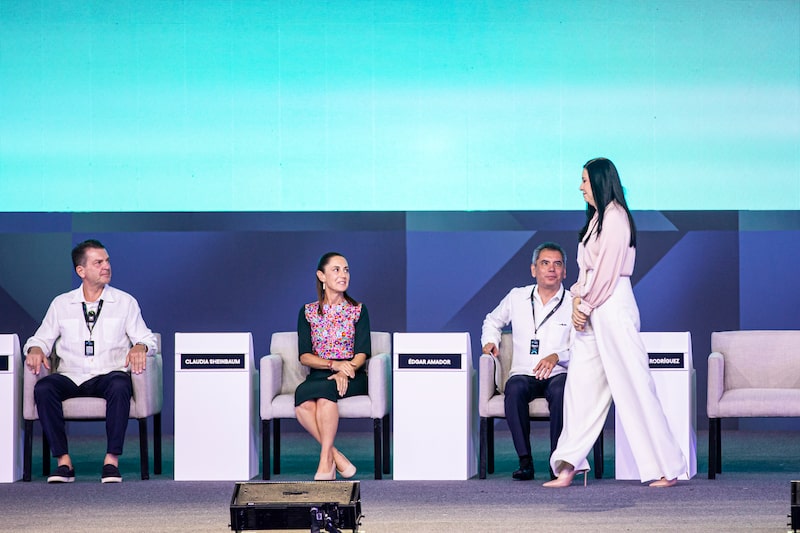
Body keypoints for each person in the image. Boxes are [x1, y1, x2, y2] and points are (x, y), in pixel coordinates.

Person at [544, 157, 687, 488]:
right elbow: (587, 272)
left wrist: (587, 303)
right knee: (580, 386)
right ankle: (569, 464)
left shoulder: (616, 218)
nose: (579, 187)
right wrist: (577, 300)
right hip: (592, 305)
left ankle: (668, 466)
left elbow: (608, 271)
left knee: (636, 386)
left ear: (598, 181)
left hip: (612, 305)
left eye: (583, 180)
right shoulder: (595, 219)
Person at [23, 239, 157, 483]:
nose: (106, 266)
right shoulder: (62, 304)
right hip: (71, 374)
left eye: (107, 261)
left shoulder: (125, 302)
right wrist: (34, 348)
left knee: (120, 385)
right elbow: (41, 338)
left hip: (108, 373)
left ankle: (111, 461)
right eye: (98, 262)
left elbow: (147, 337)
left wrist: (140, 346)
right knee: (43, 388)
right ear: (81, 271)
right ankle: (63, 462)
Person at [481, 242, 573, 480]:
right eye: (544, 263)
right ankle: (525, 461)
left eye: (557, 264)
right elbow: (492, 321)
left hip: (558, 373)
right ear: (534, 270)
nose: (551, 269)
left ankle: (558, 460)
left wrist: (558, 356)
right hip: (524, 372)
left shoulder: (574, 303)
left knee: (563, 390)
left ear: (564, 271)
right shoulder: (517, 297)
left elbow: (586, 345)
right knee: (515, 388)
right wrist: (490, 342)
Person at [295, 252, 371, 480]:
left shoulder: (358, 309)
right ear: (321, 276)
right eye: (336, 270)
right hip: (320, 373)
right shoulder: (308, 312)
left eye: (346, 269)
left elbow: (362, 353)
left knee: (327, 396)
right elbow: (305, 356)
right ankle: (335, 456)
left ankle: (325, 462)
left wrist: (345, 370)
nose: (343, 275)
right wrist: (333, 365)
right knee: (303, 402)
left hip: (353, 374)